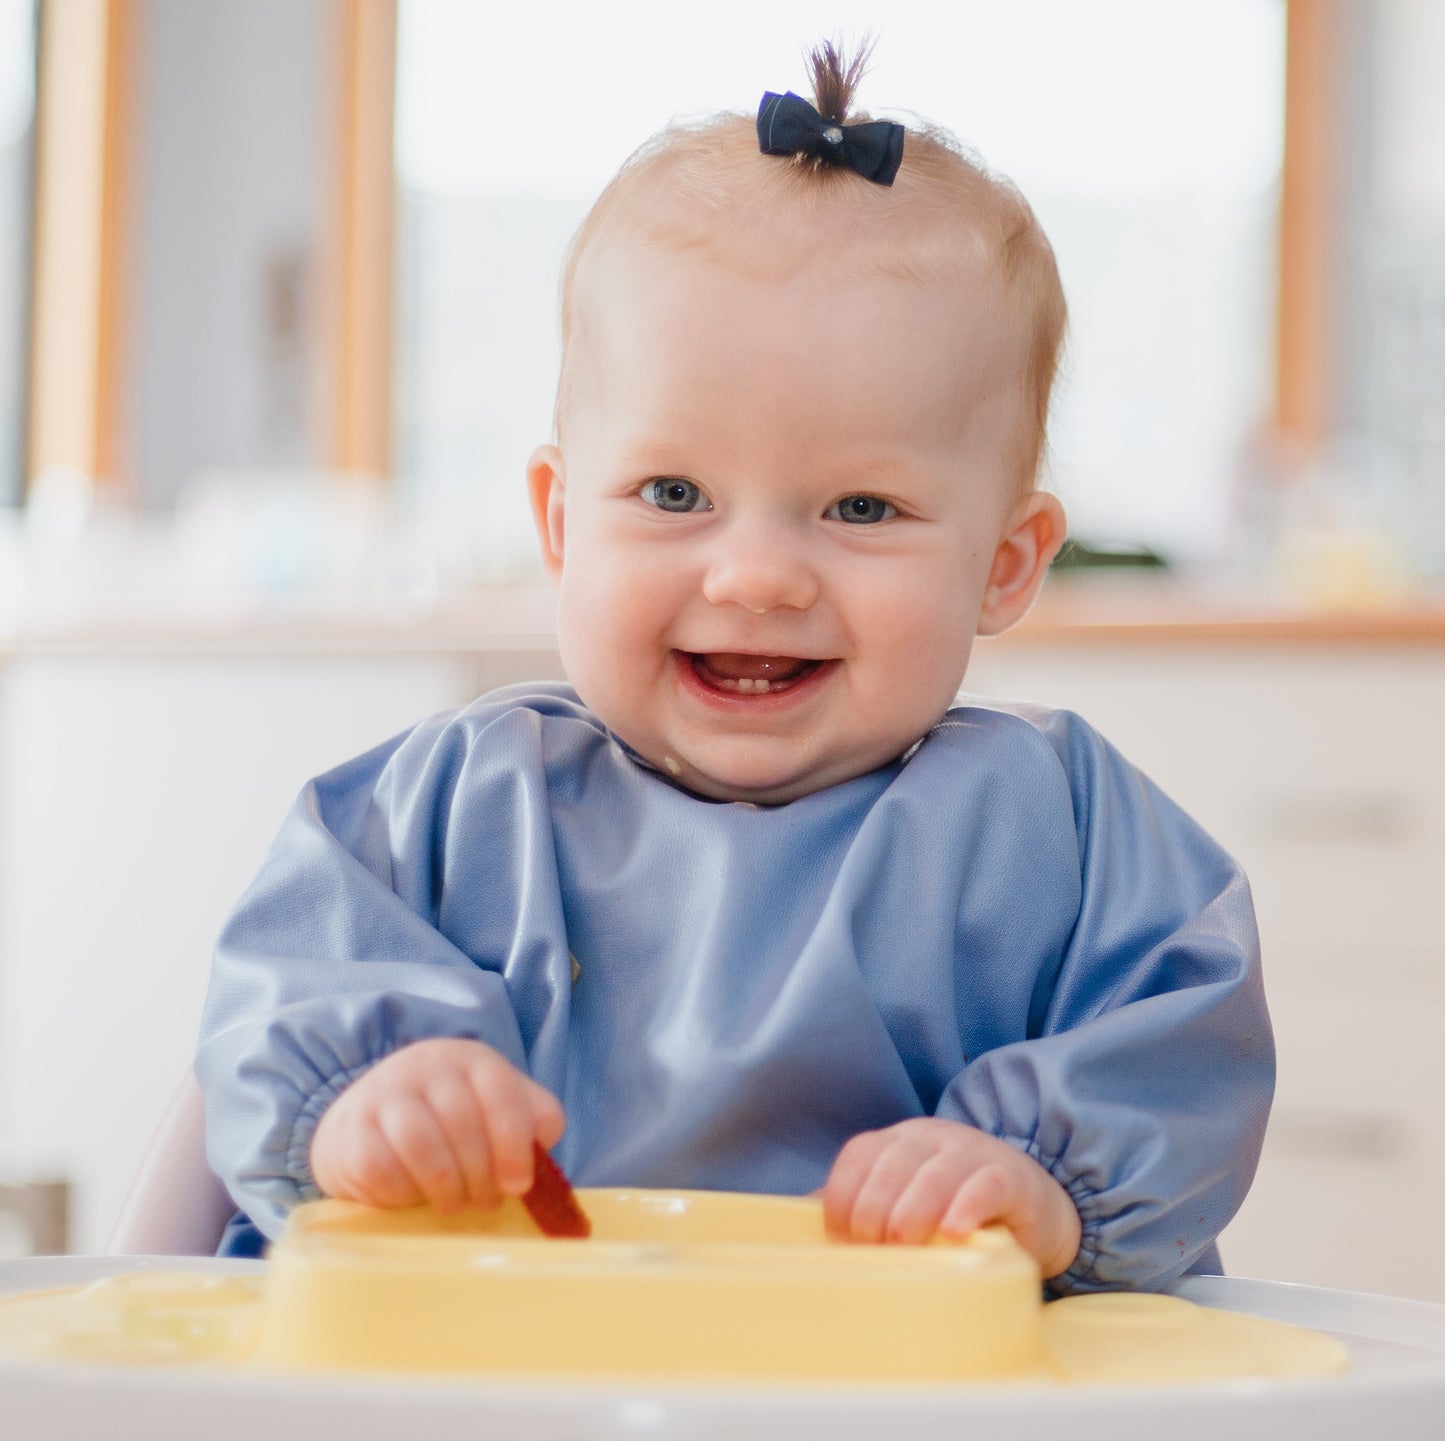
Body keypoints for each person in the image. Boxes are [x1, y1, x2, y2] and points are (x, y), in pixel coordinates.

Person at [196, 43, 1272, 1294]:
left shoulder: (1062, 832)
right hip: (503, 1373)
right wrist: (367, 1107)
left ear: (1004, 561)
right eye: (672, 493)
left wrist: (1036, 1183)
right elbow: (276, 1020)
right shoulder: (450, 806)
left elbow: (1178, 1055)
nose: (757, 575)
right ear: (559, 523)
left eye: (861, 508)